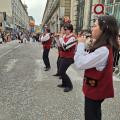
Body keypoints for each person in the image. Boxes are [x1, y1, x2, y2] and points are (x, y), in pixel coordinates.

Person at [74, 15, 119, 120]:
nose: (92, 29)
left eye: (94, 26)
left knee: (91, 116)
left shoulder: (103, 50)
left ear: (103, 30)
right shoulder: (103, 46)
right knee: (95, 113)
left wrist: (80, 45)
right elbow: (88, 58)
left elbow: (79, 63)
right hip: (94, 89)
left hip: (96, 91)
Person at [58, 23, 77, 92]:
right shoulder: (65, 36)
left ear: (70, 30)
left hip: (69, 57)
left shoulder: (72, 37)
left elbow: (65, 46)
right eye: (64, 29)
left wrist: (60, 38)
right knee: (61, 71)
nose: (64, 31)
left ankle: (69, 86)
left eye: (65, 29)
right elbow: (60, 45)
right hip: (63, 55)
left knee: (62, 71)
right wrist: (60, 39)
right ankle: (64, 83)